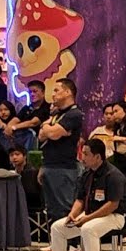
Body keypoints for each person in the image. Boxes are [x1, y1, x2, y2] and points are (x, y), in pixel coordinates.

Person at [40, 138, 126, 251]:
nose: (82, 157)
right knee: (57, 227)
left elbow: (112, 205)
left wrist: (87, 218)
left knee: (88, 229)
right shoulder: (86, 175)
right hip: (89, 214)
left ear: (97, 156)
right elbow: (80, 200)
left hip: (114, 216)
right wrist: (72, 214)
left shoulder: (114, 175)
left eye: (86, 154)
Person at [37, 78, 85, 230]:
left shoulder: (74, 114)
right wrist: (48, 127)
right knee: (52, 209)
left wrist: (47, 126)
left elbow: (53, 134)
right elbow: (41, 136)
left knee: (64, 207)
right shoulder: (57, 114)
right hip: (49, 164)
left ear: (68, 92)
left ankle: (71, 240)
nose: (53, 94)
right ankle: (56, 240)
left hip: (64, 167)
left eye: (57, 90)